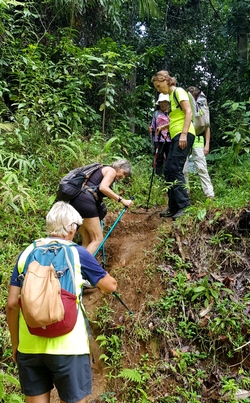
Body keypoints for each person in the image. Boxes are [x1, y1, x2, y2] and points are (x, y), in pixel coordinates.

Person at [6, 201, 118, 403]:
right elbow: (110, 286)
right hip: (69, 347)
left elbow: (12, 304)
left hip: (30, 346)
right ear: (72, 228)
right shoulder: (77, 252)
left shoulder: (26, 253)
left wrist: (16, 344)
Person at [151, 70, 196, 219]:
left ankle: (185, 206)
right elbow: (177, 118)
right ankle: (173, 207)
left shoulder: (178, 91)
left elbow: (188, 112)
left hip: (184, 135)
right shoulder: (171, 96)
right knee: (168, 170)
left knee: (175, 169)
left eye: (158, 86)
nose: (158, 89)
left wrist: (183, 134)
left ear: (165, 80)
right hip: (176, 135)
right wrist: (163, 127)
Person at [69, 159, 134, 254]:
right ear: (119, 167)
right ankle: (82, 267)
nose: (123, 177)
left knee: (86, 242)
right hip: (87, 202)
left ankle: (75, 265)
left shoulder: (102, 169)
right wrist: (122, 200)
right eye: (124, 173)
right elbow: (103, 187)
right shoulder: (111, 170)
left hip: (77, 202)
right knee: (97, 239)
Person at [183, 86, 215, 199]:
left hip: (197, 139)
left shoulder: (202, 107)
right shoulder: (184, 106)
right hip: (185, 137)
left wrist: (207, 145)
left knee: (202, 167)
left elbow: (207, 127)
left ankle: (210, 195)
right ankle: (185, 194)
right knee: (183, 168)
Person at [148, 93, 171, 175]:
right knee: (158, 158)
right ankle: (158, 175)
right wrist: (151, 128)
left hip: (169, 139)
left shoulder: (171, 113)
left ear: (168, 102)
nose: (163, 104)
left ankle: (168, 176)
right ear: (159, 103)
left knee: (169, 158)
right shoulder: (156, 113)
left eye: (165, 102)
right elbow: (153, 125)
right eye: (161, 102)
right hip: (158, 139)